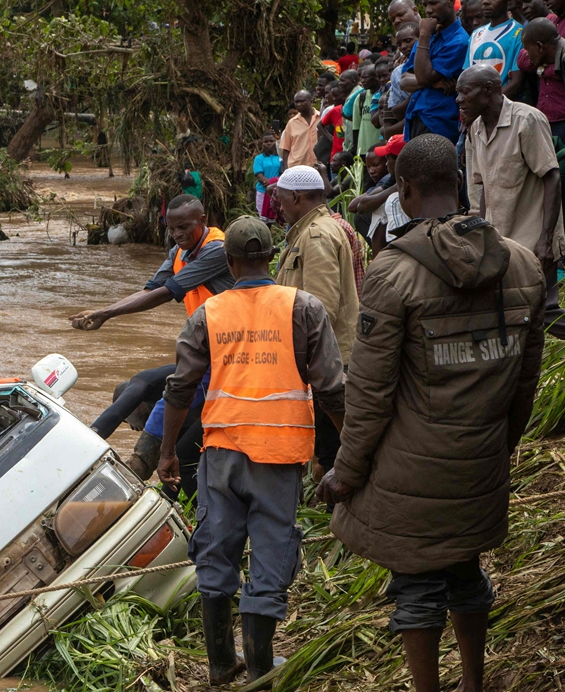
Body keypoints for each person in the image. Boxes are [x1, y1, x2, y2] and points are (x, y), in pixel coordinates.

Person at [318, 133, 545, 692]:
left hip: (410, 472)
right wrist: (500, 444)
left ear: (406, 189)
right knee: (465, 572)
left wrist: (345, 471)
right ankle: (473, 683)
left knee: (417, 588)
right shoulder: (524, 266)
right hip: (482, 462)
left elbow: (368, 395)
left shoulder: (393, 274)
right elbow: (525, 383)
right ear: (461, 182)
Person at [158, 215, 345, 686]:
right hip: (279, 457)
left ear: (230, 260)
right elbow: (332, 390)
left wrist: (166, 454)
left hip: (221, 453)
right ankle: (260, 666)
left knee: (216, 551)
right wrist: (349, 452)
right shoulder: (304, 307)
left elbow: (178, 389)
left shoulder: (210, 313)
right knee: (271, 551)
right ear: (273, 258)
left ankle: (221, 663)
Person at [74, 195, 233, 487]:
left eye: (184, 227)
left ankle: (138, 468)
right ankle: (92, 441)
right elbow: (150, 290)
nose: (177, 235)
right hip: (202, 350)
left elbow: (166, 292)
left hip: (229, 354)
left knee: (174, 393)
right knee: (141, 382)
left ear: (202, 221)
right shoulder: (178, 252)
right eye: (172, 229)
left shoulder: (217, 251)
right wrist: (101, 311)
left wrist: (107, 313)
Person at [458, 64, 565, 338]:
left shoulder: (527, 120)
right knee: (514, 313)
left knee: (546, 311)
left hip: (533, 241)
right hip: (501, 242)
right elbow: (483, 189)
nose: (458, 100)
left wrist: (545, 239)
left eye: (464, 92)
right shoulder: (476, 130)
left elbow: (551, 178)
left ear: (488, 90)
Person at [273, 165, 359, 477]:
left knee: (333, 453)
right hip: (323, 360)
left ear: (296, 197)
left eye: (281, 200)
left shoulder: (317, 235)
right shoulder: (309, 231)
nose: (279, 208)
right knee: (328, 449)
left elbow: (321, 308)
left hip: (330, 362)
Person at [399, 0, 470, 139]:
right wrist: (433, 82)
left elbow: (422, 76)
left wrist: (423, 36)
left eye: (433, 3)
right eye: (425, 5)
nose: (428, 10)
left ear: (451, 1)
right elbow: (403, 80)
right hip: (415, 118)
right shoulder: (430, 36)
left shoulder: (458, 41)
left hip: (438, 122)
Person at [466, 0, 524, 96]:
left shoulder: (519, 32)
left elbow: (517, 82)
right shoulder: (476, 34)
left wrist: (489, 103)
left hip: (504, 107)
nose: (486, 1)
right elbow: (468, 74)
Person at [278, 89, 318, 169]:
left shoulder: (321, 118)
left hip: (318, 167)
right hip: (297, 168)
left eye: (302, 101)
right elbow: (286, 149)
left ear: (311, 101)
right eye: (296, 102)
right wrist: (286, 169)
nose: (299, 104)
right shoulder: (291, 123)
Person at [252, 133, 281, 219]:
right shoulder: (259, 158)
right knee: (264, 220)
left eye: (271, 141)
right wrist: (271, 183)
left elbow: (283, 172)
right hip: (263, 192)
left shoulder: (280, 157)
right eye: (266, 141)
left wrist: (273, 185)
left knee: (277, 217)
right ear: (262, 143)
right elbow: (259, 176)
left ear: (275, 142)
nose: (269, 143)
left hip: (277, 191)